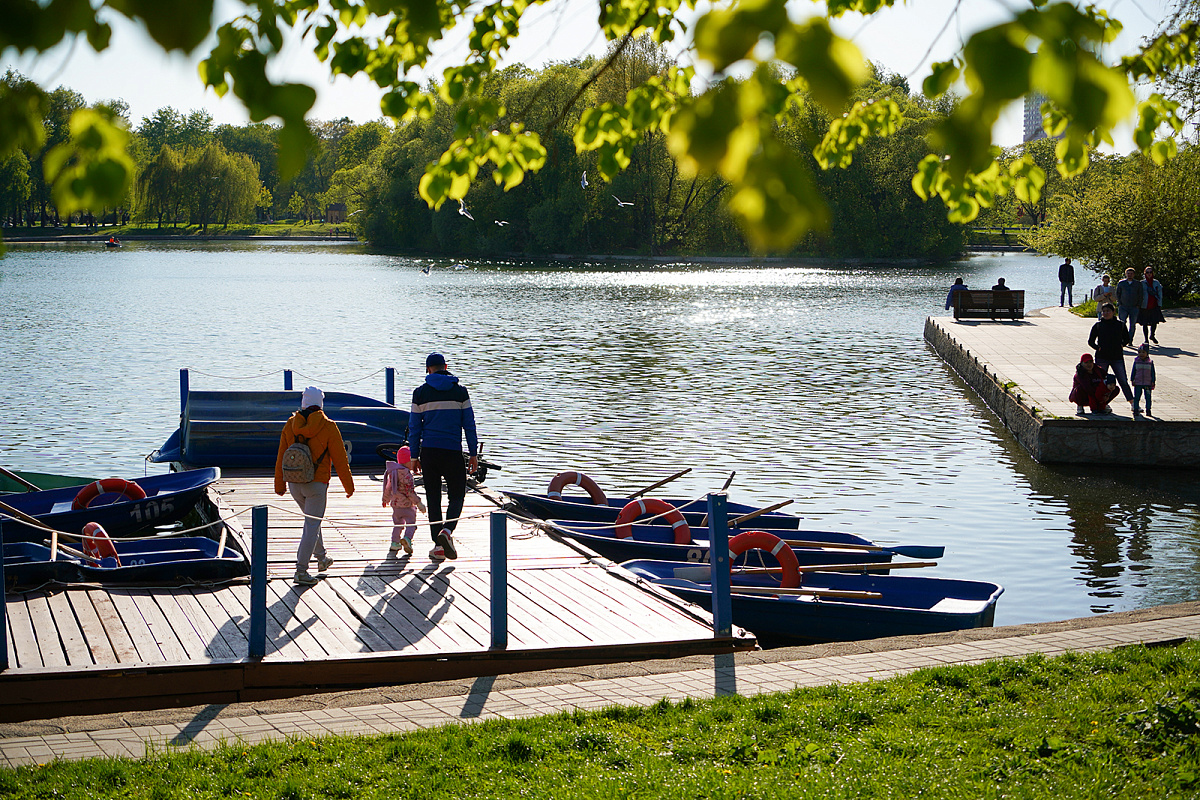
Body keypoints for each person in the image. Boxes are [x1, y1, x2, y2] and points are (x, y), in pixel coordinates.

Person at [274, 386, 355, 584]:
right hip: (316, 485)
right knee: (312, 524)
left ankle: (322, 558)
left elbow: (280, 456)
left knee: (312, 521)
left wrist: (279, 484)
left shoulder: (290, 424)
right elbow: (340, 460)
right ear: (320, 403)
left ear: (303, 403)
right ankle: (301, 571)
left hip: (294, 484)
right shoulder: (328, 426)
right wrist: (349, 486)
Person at [408, 353, 479, 561]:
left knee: (433, 498)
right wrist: (473, 453)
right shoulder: (460, 392)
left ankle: (438, 547)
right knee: (457, 495)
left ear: (428, 369)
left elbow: (414, 428)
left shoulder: (419, 393)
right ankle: (447, 532)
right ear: (446, 366)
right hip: (452, 451)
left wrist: (414, 456)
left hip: (429, 452)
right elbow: (470, 425)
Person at [1088, 303, 1135, 413]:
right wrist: (1097, 348)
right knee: (1100, 381)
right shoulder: (1098, 325)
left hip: (1117, 357)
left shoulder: (1120, 325)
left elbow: (1127, 339)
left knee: (1123, 380)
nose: (1105, 313)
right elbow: (1090, 341)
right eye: (1103, 311)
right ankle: (1099, 403)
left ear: (1113, 312)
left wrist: (1121, 346)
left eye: (1108, 311)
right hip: (1102, 357)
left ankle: (1133, 403)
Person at [382, 446, 425, 555]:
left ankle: (394, 543)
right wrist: (418, 503)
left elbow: (388, 487)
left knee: (398, 524)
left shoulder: (393, 472)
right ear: (407, 461)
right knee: (411, 524)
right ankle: (407, 539)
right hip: (407, 505)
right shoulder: (406, 474)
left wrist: (385, 499)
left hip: (396, 505)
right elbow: (409, 491)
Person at [1115, 268, 1143, 340]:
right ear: (1125, 274)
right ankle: (1122, 338)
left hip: (1134, 307)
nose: (1129, 275)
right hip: (1123, 306)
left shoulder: (1138, 284)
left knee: (1132, 324)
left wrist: (1138, 305)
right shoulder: (1121, 283)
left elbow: (1141, 295)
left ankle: (1130, 339)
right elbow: (1118, 294)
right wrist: (1119, 303)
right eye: (1128, 273)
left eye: (1131, 273)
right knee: (1122, 323)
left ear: (1133, 274)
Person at [1139, 267, 1165, 345]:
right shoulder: (1142, 283)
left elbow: (1160, 294)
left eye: (1150, 272)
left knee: (1154, 322)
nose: (1149, 274)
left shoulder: (1156, 283)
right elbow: (1139, 294)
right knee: (1144, 323)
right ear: (1145, 273)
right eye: (1147, 272)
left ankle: (1152, 335)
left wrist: (1159, 304)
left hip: (1154, 305)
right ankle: (1146, 339)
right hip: (1144, 305)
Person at [1130, 343, 1156, 416]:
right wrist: (1132, 379)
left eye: (1143, 352)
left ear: (1147, 353)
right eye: (1139, 352)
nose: (1141, 354)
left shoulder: (1150, 362)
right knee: (1137, 397)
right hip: (1138, 382)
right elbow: (1133, 371)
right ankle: (1135, 409)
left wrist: (1153, 381)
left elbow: (1153, 372)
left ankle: (1148, 410)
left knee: (1148, 397)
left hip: (1147, 382)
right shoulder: (1136, 361)